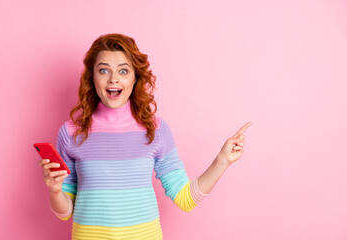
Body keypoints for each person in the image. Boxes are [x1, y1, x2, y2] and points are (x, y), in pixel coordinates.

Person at [38, 33, 252, 240]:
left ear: (135, 78)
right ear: (92, 77)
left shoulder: (156, 129)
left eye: (123, 71)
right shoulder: (71, 132)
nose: (113, 79)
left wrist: (222, 161)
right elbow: (64, 212)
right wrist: (55, 191)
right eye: (104, 71)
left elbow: (186, 198)